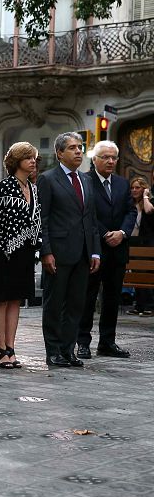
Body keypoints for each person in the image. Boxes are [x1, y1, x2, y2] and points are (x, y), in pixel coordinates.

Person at [37, 132, 101, 368]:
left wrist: (95, 252)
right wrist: (46, 252)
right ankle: (52, 351)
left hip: (83, 253)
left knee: (76, 305)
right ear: (59, 153)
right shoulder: (48, 179)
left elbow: (91, 219)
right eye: (72, 148)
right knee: (54, 305)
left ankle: (68, 350)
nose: (78, 152)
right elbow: (41, 219)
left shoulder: (86, 180)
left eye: (80, 147)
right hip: (58, 253)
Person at [0, 142, 41, 369]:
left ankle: (11, 348)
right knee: (1, 298)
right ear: (16, 162)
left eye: (34, 157)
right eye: (27, 157)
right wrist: (0, 243)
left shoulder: (33, 188)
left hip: (25, 252)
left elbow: (37, 220)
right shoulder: (4, 186)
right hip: (3, 251)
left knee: (16, 298)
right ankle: (0, 348)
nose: (33, 161)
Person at [77, 141, 136, 358]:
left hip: (118, 249)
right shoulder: (85, 181)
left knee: (112, 298)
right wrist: (105, 234)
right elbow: (86, 213)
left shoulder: (122, 183)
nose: (111, 161)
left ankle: (107, 342)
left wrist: (122, 233)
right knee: (88, 297)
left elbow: (131, 212)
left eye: (114, 158)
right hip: (94, 249)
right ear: (95, 159)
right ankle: (82, 342)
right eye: (106, 157)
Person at [128, 177, 154, 315]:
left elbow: (149, 211)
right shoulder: (130, 203)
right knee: (135, 273)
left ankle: (149, 305)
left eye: (137, 187)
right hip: (133, 241)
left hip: (147, 242)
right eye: (132, 188)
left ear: (144, 188)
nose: (134, 190)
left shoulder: (148, 202)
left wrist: (145, 197)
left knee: (145, 273)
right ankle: (139, 305)